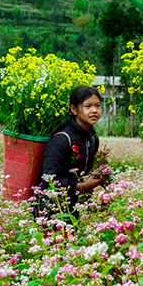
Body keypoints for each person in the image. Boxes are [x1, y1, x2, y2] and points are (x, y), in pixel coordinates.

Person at [35, 86, 106, 224]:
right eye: (88, 106)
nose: (94, 110)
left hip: (72, 206)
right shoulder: (61, 140)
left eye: (98, 106)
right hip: (50, 211)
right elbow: (49, 180)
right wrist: (83, 186)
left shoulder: (92, 138)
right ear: (73, 109)